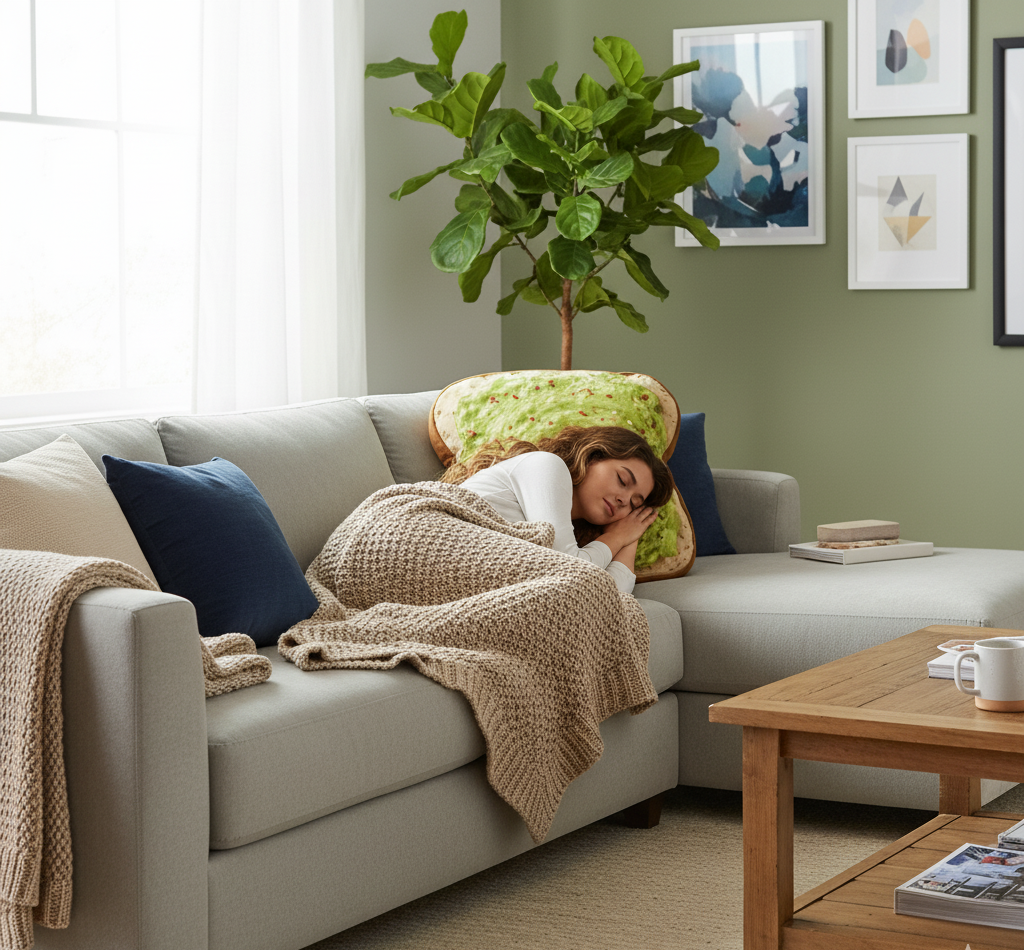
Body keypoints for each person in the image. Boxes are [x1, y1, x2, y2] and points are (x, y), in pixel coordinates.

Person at [441, 425, 674, 594]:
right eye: (622, 480)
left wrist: (632, 535)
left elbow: (611, 596)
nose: (624, 500)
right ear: (592, 457)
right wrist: (617, 536)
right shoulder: (547, 465)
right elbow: (571, 570)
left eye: (635, 504)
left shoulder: (568, 535)